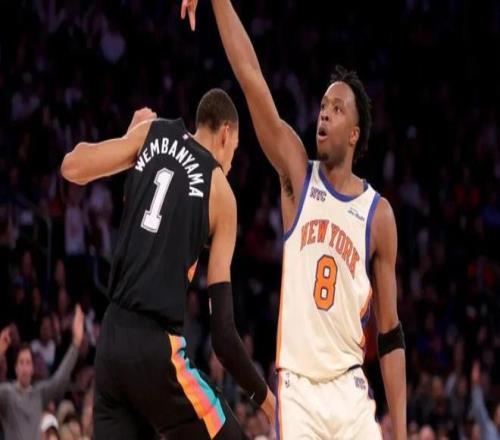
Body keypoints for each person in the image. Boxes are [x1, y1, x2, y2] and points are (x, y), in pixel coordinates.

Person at [193, 0, 407, 438]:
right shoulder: (298, 175)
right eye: (323, 104)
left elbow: (390, 335)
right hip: (298, 390)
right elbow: (251, 79)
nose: (324, 112)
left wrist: (400, 432)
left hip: (350, 391)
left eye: (337, 108)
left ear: (355, 134)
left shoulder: (378, 215)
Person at [61, 92, 275, 439]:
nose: (231, 164)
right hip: (156, 351)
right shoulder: (221, 192)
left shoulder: (152, 133)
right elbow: (223, 335)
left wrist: (129, 140)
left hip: (111, 343)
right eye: (234, 151)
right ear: (225, 134)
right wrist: (268, 401)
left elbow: (71, 167)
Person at [0, 306, 84, 440]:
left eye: (28, 362)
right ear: (15, 368)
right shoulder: (6, 393)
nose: (25, 368)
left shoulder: (38, 394)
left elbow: (59, 380)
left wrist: (76, 344)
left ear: (32, 368)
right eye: (21, 362)